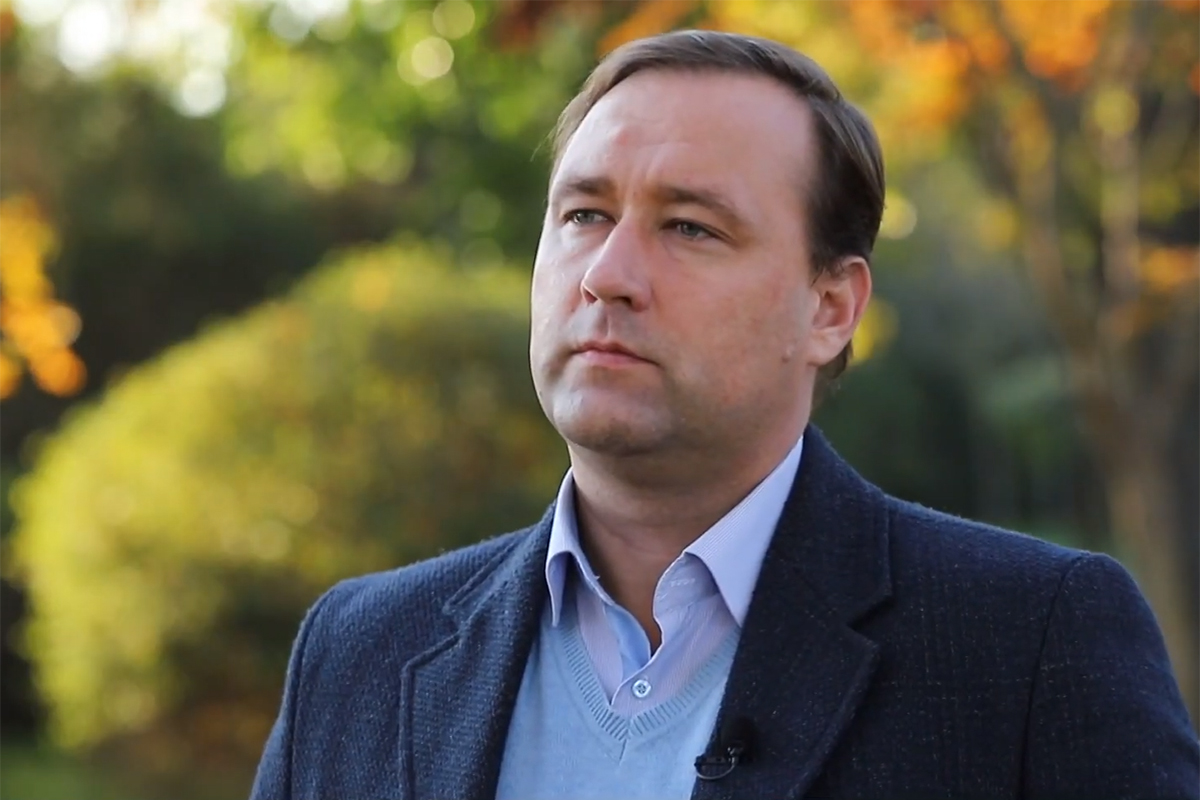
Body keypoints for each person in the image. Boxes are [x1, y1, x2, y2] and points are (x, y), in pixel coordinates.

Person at [251, 30, 1199, 800]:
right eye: (583, 215)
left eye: (690, 227)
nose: (609, 275)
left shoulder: (1027, 644)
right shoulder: (361, 652)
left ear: (830, 308)